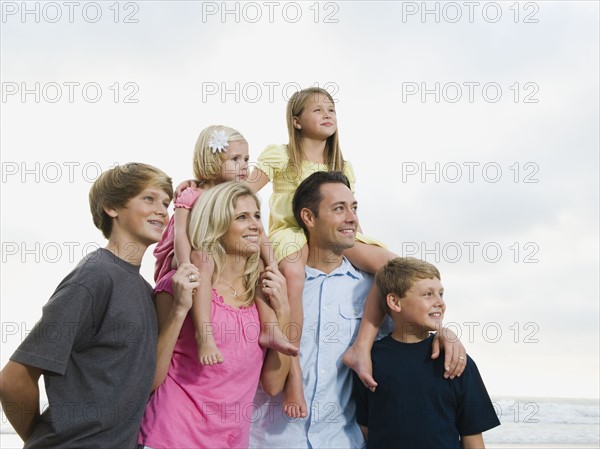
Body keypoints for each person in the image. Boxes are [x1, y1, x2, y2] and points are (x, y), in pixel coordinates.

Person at [250, 171, 467, 449]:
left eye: (353, 208)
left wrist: (445, 333)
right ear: (308, 217)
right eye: (339, 209)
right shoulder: (278, 281)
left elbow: (409, 335)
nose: (351, 218)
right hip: (271, 440)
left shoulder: (372, 290)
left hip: (342, 441)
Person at [0, 162, 187, 448]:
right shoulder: (94, 277)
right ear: (112, 207)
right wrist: (46, 440)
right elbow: (13, 380)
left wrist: (179, 311)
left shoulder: (144, 291)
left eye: (166, 202)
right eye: (149, 198)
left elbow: (145, 382)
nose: (162, 210)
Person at [248, 87, 402, 418]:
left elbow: (346, 209)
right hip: (291, 231)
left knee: (392, 267)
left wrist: (355, 239)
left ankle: (361, 348)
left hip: (331, 231)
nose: (327, 114)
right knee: (292, 273)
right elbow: (242, 191)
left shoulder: (342, 165)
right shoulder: (280, 154)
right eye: (317, 110)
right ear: (296, 121)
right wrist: (203, 186)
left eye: (330, 109)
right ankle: (294, 375)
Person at [139, 182, 293, 449]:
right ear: (217, 224)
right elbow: (150, 378)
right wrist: (179, 310)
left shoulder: (261, 293)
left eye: (257, 216)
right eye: (242, 217)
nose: (255, 225)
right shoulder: (181, 285)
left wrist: (285, 309)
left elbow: (274, 384)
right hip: (171, 436)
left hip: (230, 440)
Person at [154, 125, 295, 366]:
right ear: (211, 161)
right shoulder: (191, 194)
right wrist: (186, 265)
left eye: (247, 159)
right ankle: (204, 334)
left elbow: (259, 233)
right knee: (203, 258)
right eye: (235, 159)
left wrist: (271, 264)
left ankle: (270, 328)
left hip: (215, 254)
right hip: (183, 254)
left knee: (258, 264)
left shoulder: (236, 196)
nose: (244, 166)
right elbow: (180, 236)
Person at [353, 257, 501, 448]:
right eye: (428, 294)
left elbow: (472, 437)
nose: (440, 302)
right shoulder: (369, 362)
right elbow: (366, 428)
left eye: (441, 294)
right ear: (395, 302)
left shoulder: (455, 359)